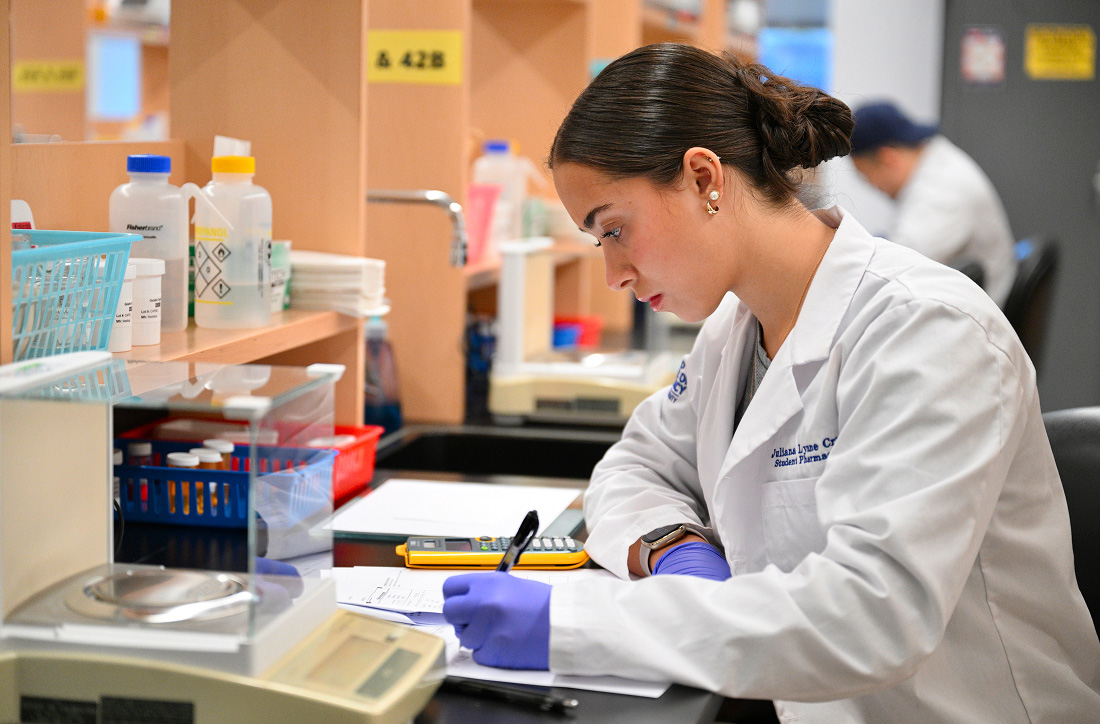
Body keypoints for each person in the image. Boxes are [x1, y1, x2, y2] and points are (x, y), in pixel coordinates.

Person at [441, 43, 1100, 722]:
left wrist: (573, 625)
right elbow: (635, 465)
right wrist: (674, 548)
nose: (614, 274)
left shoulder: (927, 330)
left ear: (704, 178)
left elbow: (871, 615)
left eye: (615, 230)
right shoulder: (736, 328)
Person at [849, 101, 1017, 307]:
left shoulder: (942, 190)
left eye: (866, 176)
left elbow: (893, 268)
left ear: (888, 159)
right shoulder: (936, 161)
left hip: (974, 319)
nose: (872, 186)